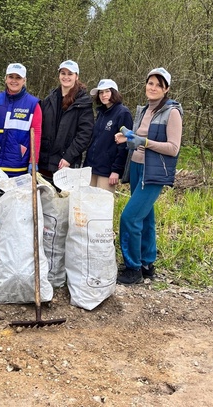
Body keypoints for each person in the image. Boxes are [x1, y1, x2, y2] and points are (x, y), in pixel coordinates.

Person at [114, 67, 183, 285]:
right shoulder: (144, 110)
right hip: (135, 168)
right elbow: (140, 138)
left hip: (153, 171)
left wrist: (143, 142)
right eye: (150, 83)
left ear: (166, 89)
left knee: (130, 218)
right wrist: (128, 137)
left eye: (158, 85)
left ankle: (132, 268)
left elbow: (173, 148)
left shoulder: (171, 112)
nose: (152, 88)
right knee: (145, 218)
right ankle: (146, 264)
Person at [0, 63, 42, 177]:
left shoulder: (33, 104)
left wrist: (34, 161)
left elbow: (36, 134)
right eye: (11, 77)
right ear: (5, 79)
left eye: (18, 77)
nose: (14, 81)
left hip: (17, 165)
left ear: (24, 80)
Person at [38, 60, 93, 181]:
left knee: (63, 199)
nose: (66, 77)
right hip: (44, 163)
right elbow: (39, 128)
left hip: (67, 164)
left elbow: (84, 135)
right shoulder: (49, 100)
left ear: (76, 76)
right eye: (63, 73)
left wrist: (69, 157)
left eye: (70, 74)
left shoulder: (83, 103)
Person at [84, 79, 133, 192]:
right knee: (88, 203)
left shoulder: (123, 113)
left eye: (107, 91)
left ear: (114, 93)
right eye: (101, 92)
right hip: (92, 167)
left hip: (108, 170)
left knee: (101, 206)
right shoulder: (101, 113)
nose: (104, 95)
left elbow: (125, 144)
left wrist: (116, 170)